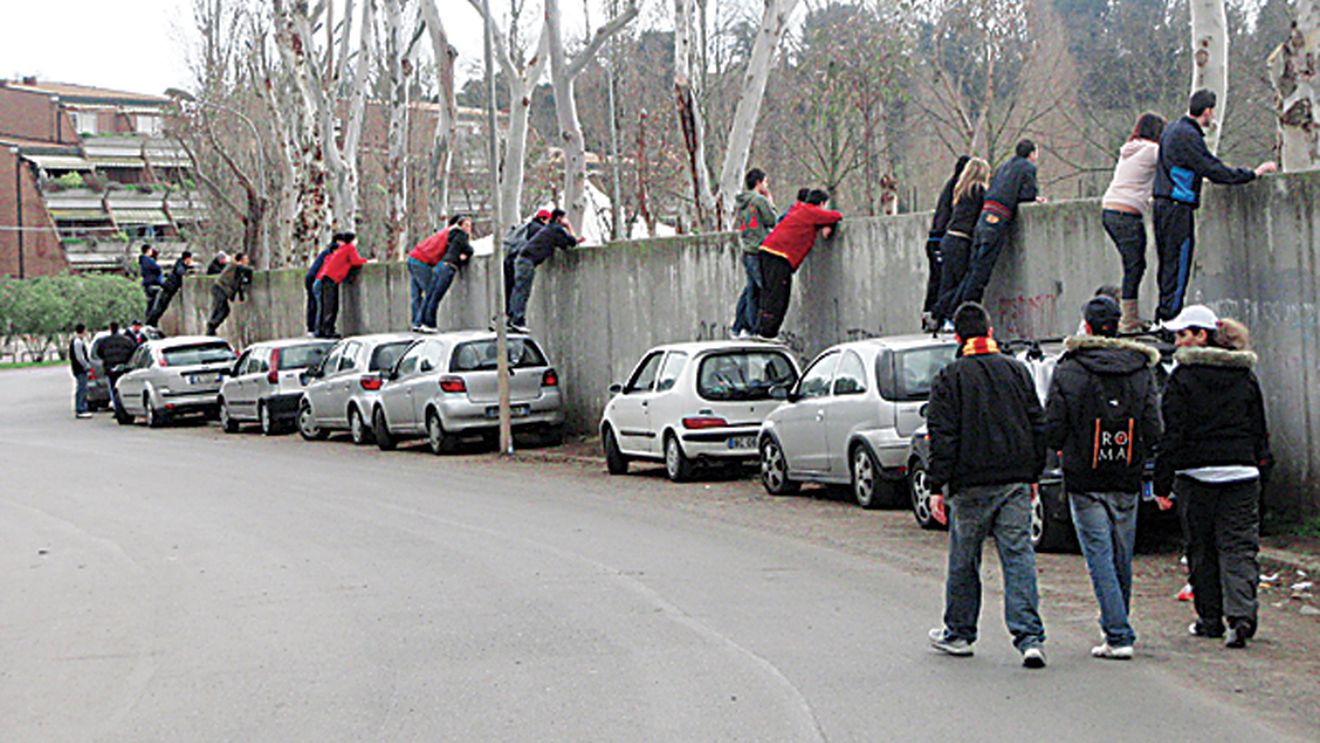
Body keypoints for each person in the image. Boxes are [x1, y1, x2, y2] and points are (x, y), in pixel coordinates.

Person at [926, 301, 1048, 668]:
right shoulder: (1017, 371)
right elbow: (1037, 425)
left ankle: (960, 633)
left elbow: (942, 437)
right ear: (991, 332)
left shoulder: (949, 377)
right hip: (1014, 481)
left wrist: (936, 486)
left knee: (965, 560)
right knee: (1018, 557)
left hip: (970, 485)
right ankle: (1030, 638)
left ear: (958, 338)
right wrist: (1033, 474)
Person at [1044, 296, 1162, 660]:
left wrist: (1062, 448)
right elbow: (1153, 426)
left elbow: (1054, 427)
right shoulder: (1140, 367)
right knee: (1121, 554)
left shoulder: (1069, 368)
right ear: (1119, 326)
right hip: (1127, 472)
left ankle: (1117, 632)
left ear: (1088, 326)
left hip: (1084, 475)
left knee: (1099, 555)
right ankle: (1117, 624)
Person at [1155, 305, 1271, 648]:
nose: (1177, 342)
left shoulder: (1182, 378)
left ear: (1201, 335)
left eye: (1182, 334)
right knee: (1239, 547)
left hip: (1196, 475)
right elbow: (1259, 429)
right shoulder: (1244, 375)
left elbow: (1172, 434)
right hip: (1241, 473)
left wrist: (1162, 481)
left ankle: (1210, 620)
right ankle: (1241, 617)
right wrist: (1262, 469)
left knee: (1201, 548)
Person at [1152, 91, 1277, 322]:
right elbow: (1213, 169)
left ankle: (1163, 317)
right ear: (1208, 111)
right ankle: (1170, 320)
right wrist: (1252, 174)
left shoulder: (1171, 130)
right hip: (1178, 208)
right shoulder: (1188, 135)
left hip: (1162, 205)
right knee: (1179, 265)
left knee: (1167, 265)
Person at [950, 139, 1045, 312]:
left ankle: (953, 310)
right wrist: (1034, 198)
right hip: (998, 219)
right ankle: (968, 310)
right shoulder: (1028, 168)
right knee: (981, 272)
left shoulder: (1004, 166)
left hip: (984, 217)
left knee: (973, 269)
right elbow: (1027, 194)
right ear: (1031, 154)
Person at [1102, 112, 1166, 332]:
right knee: (1135, 266)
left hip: (1110, 210)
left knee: (1132, 265)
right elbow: (1174, 159)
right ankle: (1128, 320)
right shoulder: (1152, 151)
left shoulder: (1130, 149)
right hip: (1126, 213)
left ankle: (1128, 315)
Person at [756, 189, 843, 340]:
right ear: (822, 203)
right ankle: (768, 334)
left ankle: (761, 330)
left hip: (767, 251)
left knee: (768, 295)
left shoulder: (799, 209)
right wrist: (828, 223)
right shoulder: (812, 212)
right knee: (779, 297)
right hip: (779, 256)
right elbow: (836, 216)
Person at [931, 157, 991, 329]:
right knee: (963, 283)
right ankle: (942, 311)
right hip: (961, 242)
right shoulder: (978, 190)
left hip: (949, 239)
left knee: (948, 283)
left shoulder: (962, 189)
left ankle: (942, 317)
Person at [507, 209, 583, 332]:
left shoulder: (549, 229)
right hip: (527, 261)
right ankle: (517, 320)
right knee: (523, 291)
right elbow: (572, 242)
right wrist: (568, 226)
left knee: (519, 290)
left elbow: (565, 243)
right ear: (559, 219)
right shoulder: (556, 229)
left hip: (522, 259)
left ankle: (512, 318)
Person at [923, 156, 971, 331]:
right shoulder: (958, 188)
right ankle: (937, 315)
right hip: (941, 239)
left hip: (937, 240)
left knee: (938, 282)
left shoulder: (952, 186)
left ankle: (932, 316)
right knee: (947, 283)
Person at [731, 168, 778, 339]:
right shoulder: (759, 200)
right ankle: (753, 328)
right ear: (758, 182)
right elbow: (772, 220)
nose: (767, 185)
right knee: (758, 291)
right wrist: (770, 202)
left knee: (750, 289)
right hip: (758, 250)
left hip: (746, 249)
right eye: (765, 182)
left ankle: (738, 327)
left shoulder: (741, 201)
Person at [420, 215, 475, 330]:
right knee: (436, 297)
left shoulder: (452, 236)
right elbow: (469, 249)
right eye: (466, 225)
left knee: (430, 295)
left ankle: (423, 322)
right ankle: (430, 324)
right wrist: (464, 257)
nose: (468, 228)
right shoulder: (462, 235)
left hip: (440, 265)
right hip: (449, 267)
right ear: (460, 226)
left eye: (470, 226)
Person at [315, 233, 367, 338]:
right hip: (331, 279)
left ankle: (323, 329)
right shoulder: (349, 248)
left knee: (326, 306)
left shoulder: (342, 249)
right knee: (331, 305)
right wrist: (366, 261)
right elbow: (355, 261)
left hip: (326, 277)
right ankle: (328, 330)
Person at [504, 210, 551, 319]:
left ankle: (507, 315)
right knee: (521, 289)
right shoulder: (538, 229)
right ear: (544, 219)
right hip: (520, 260)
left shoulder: (525, 227)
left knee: (510, 289)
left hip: (509, 258)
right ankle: (516, 318)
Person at [407, 222, 452, 331]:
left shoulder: (441, 234)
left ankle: (416, 322)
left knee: (416, 294)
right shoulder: (450, 234)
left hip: (413, 258)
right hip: (422, 262)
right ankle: (422, 322)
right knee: (430, 293)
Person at [95, 321, 136, 417]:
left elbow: (99, 352)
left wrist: (107, 359)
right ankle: (125, 408)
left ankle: (117, 409)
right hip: (124, 368)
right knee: (124, 388)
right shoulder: (127, 340)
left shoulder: (105, 342)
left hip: (110, 369)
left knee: (113, 389)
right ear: (118, 328)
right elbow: (133, 352)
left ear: (110, 329)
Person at [206, 252, 253, 335]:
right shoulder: (235, 266)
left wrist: (241, 296)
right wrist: (248, 280)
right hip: (220, 289)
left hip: (219, 289)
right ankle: (211, 326)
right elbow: (249, 270)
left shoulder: (236, 268)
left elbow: (238, 284)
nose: (247, 261)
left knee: (219, 309)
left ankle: (211, 328)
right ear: (241, 260)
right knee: (223, 310)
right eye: (246, 259)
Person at [147, 251, 193, 326]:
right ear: (187, 258)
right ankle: (150, 323)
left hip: (169, 289)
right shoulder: (180, 265)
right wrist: (186, 273)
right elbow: (180, 272)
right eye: (190, 259)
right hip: (168, 289)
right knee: (159, 308)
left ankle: (152, 323)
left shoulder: (181, 264)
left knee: (162, 308)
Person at [305, 240, 338, 336]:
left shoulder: (326, 254)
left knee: (314, 305)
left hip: (313, 279)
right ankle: (317, 329)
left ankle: (313, 328)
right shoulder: (329, 255)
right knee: (319, 306)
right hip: (317, 280)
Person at [69, 323, 92, 419]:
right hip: (80, 369)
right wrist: (87, 366)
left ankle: (83, 407)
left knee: (83, 388)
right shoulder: (78, 342)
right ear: (83, 330)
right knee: (82, 388)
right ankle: (80, 408)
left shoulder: (77, 341)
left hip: (78, 368)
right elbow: (80, 357)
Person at [139, 244, 164, 320]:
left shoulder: (144, 261)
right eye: (150, 250)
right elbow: (157, 269)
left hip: (149, 284)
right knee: (154, 303)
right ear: (147, 250)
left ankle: (149, 316)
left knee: (151, 302)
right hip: (151, 284)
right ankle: (151, 316)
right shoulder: (147, 260)